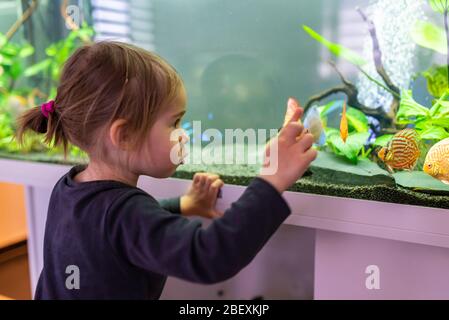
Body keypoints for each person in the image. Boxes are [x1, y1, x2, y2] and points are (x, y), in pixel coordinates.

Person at [16, 41, 317, 299]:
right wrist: (272, 179)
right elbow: (210, 255)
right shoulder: (125, 214)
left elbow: (116, 230)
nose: (183, 133)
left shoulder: (70, 188)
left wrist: (182, 206)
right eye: (174, 123)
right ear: (124, 135)